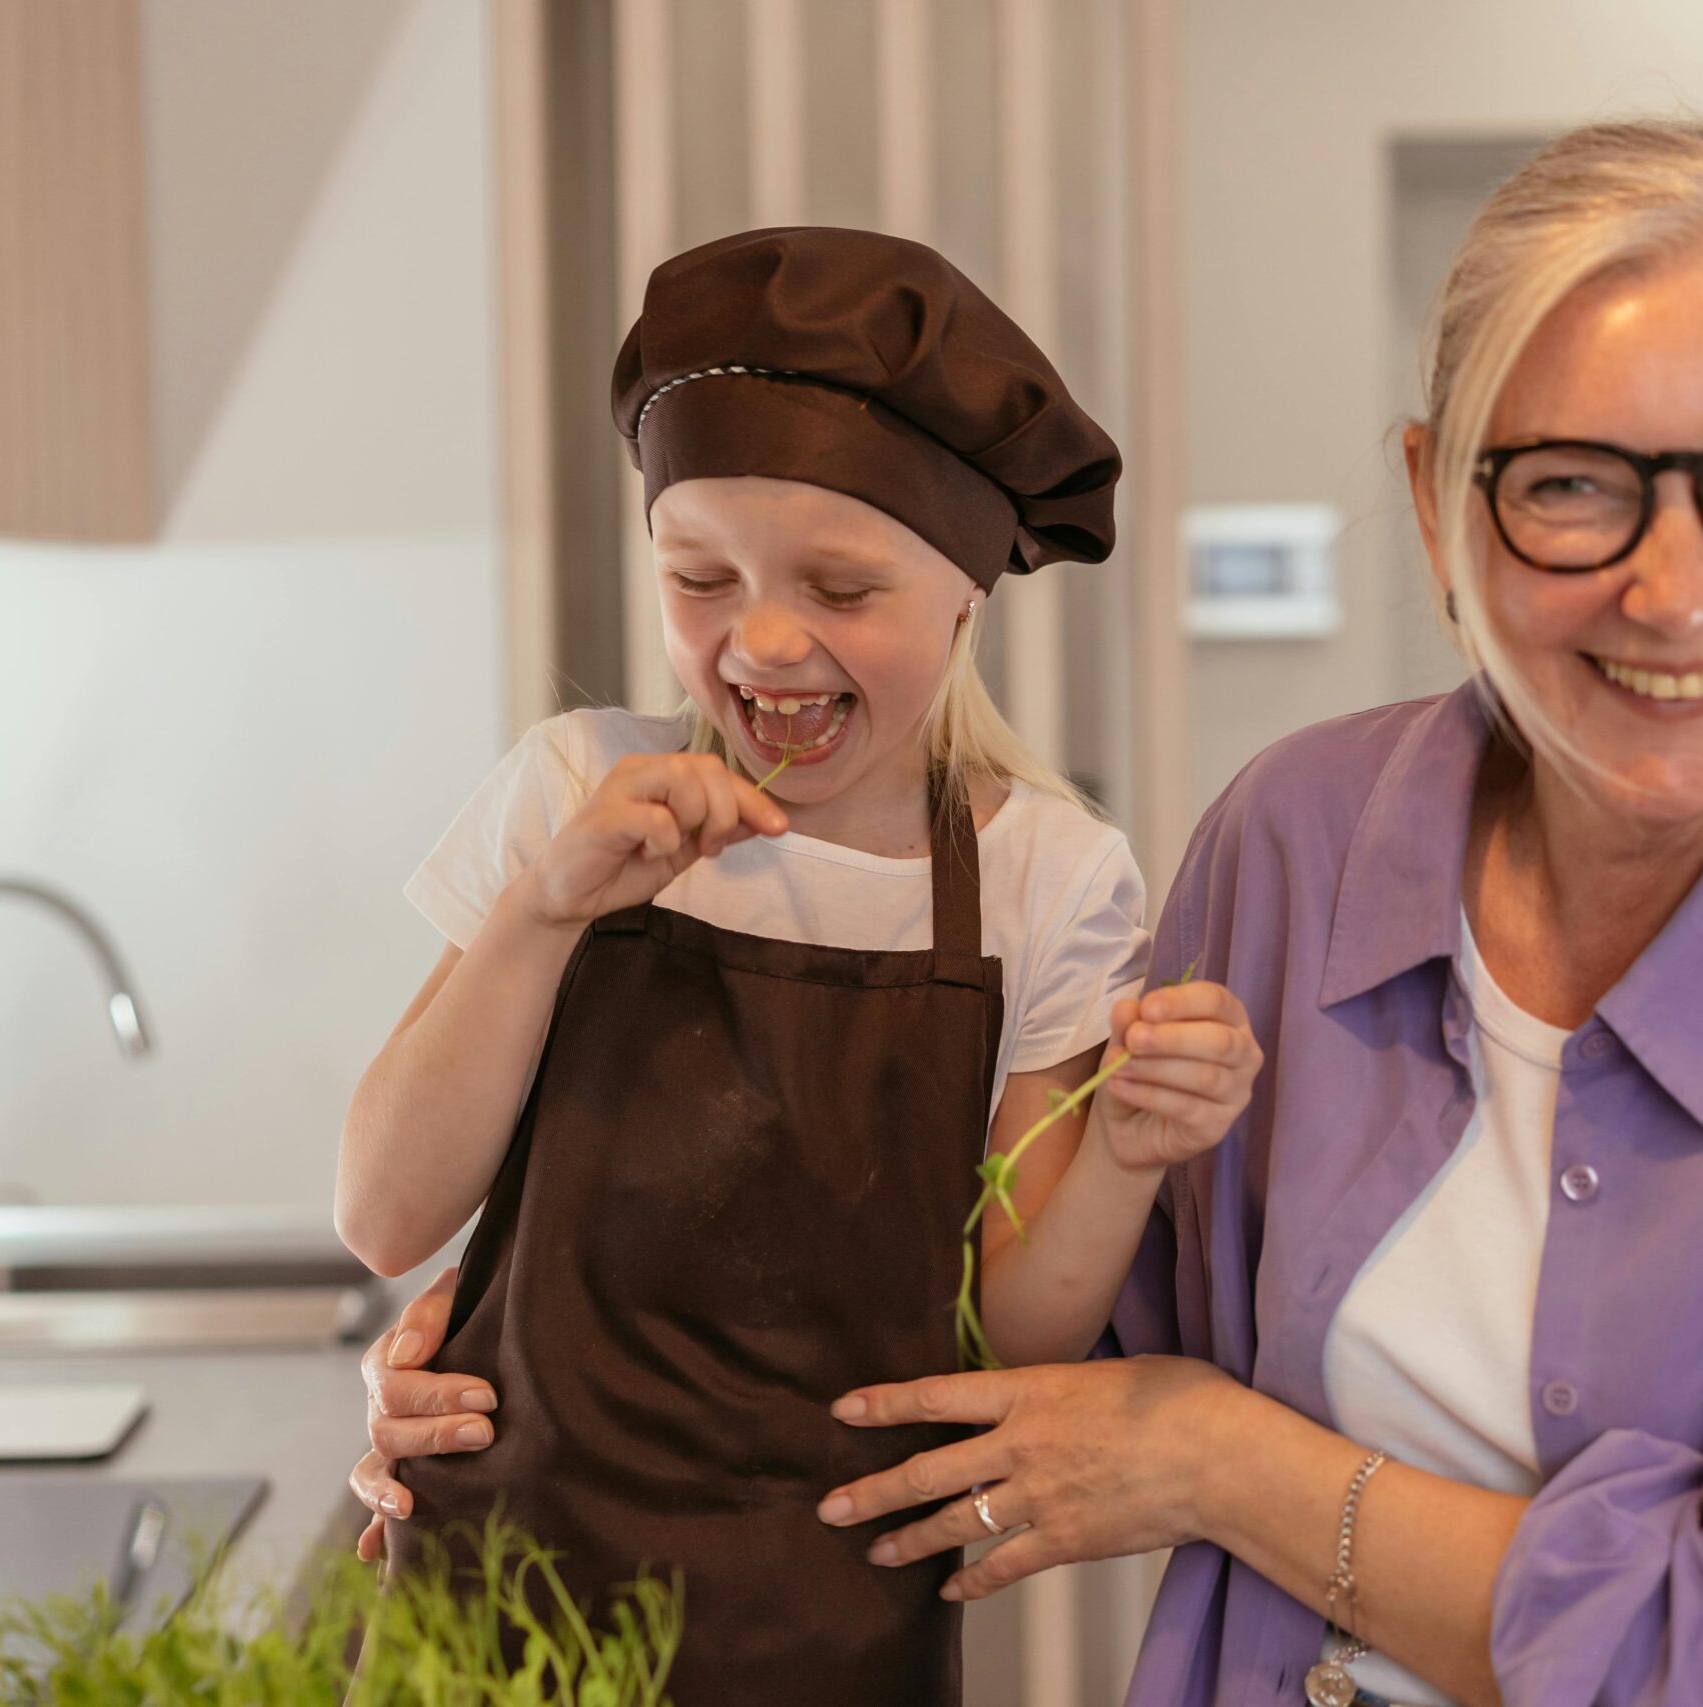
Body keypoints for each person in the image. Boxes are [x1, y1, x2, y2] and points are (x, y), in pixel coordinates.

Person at [356, 119, 1703, 1706]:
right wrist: (529, 1372)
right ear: (1445, 509)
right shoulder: (1300, 841)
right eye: (1574, 487)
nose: (1674, 590)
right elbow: (990, 1345)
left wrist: (1222, 1464)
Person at [333, 226, 1260, 1704]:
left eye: (840, 589)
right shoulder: (569, 785)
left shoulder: (1049, 879)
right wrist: (544, 913)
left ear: (966, 593)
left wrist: (1133, 1151)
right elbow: (385, 1214)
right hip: (489, 1621)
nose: (761, 641)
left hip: (826, 1640)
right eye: (699, 576)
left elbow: (1016, 1331)